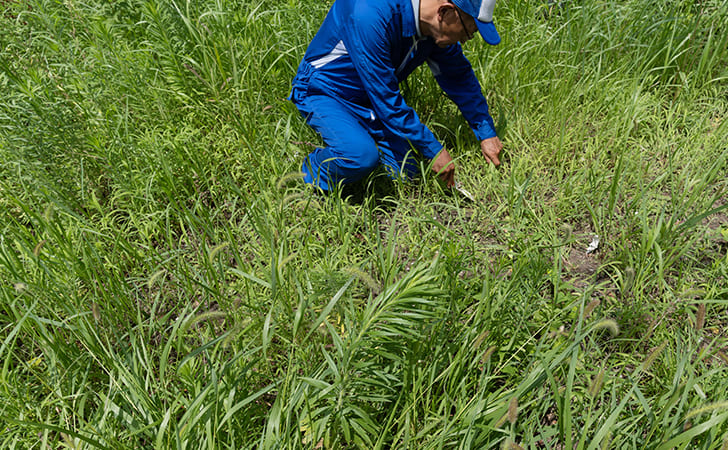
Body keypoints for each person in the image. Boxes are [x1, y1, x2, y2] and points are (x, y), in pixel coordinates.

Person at [289, 0, 504, 192]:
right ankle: (308, 173)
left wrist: (485, 132)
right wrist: (435, 150)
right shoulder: (369, 13)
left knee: (407, 173)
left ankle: (358, 137)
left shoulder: (432, 30)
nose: (465, 41)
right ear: (446, 12)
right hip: (326, 92)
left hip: (371, 100)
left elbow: (458, 77)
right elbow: (387, 100)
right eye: (469, 31)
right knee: (360, 156)